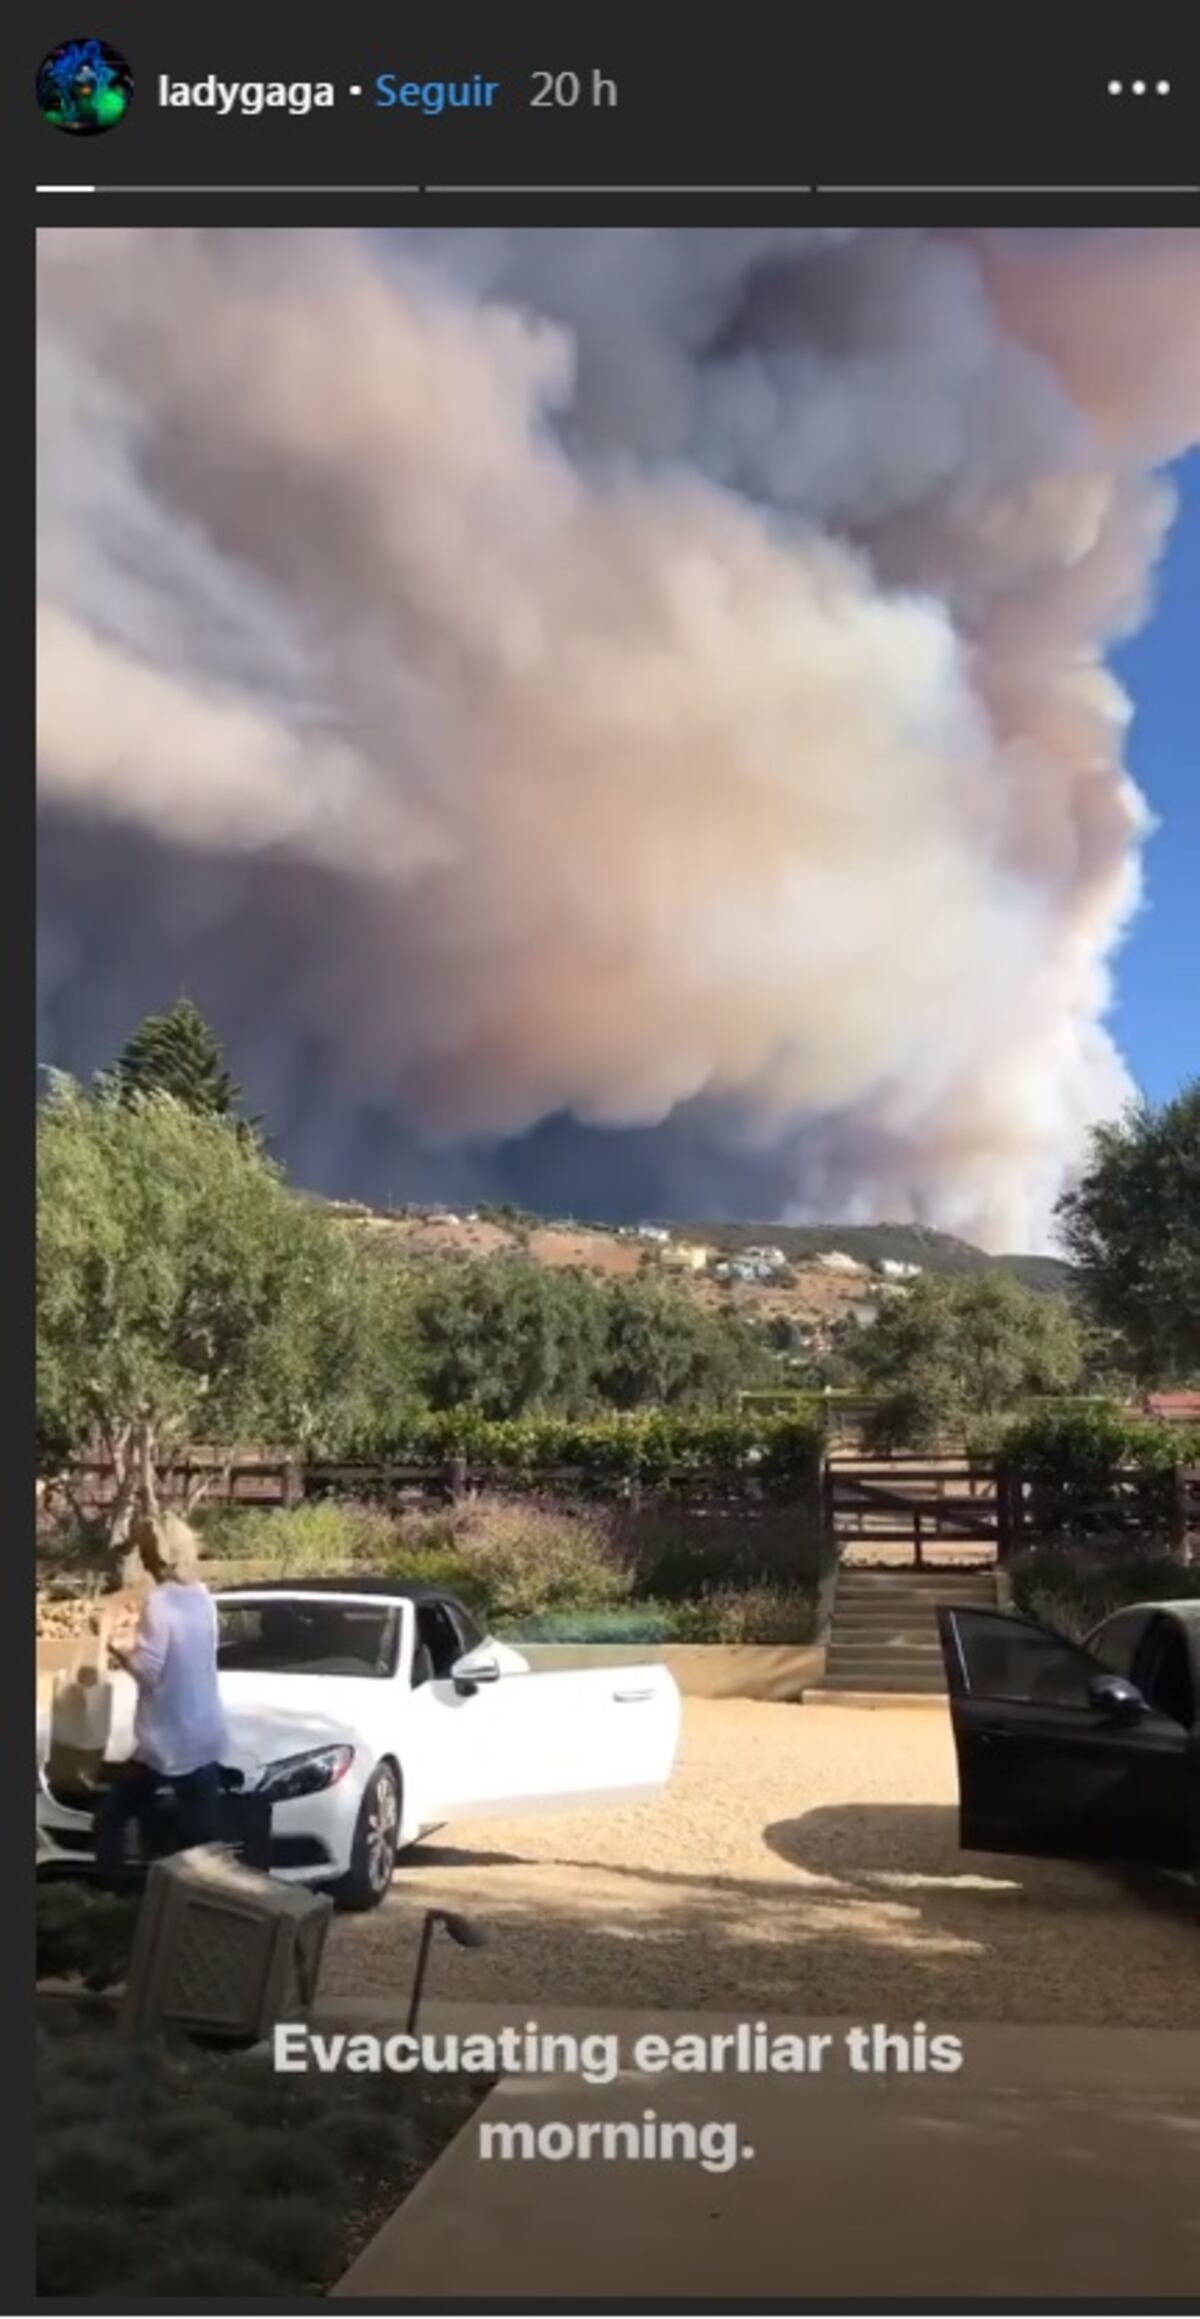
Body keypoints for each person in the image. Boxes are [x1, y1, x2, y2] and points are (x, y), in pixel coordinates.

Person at [93, 1512, 230, 1888]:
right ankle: (210, 1895)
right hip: (204, 1730)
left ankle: (118, 1890)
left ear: (152, 1559)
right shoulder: (202, 1596)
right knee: (202, 1833)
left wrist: (115, 1646)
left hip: (167, 1739)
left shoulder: (160, 1602)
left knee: (111, 1818)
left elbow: (149, 1671)